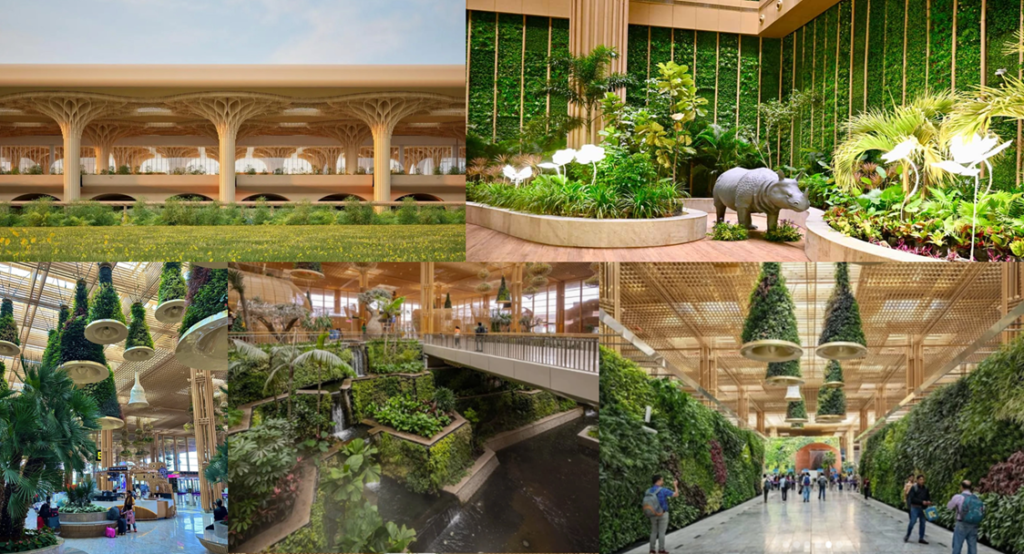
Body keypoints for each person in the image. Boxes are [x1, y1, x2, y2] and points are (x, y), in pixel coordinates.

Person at [947, 480, 984, 554]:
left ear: (961, 487)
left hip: (961, 523)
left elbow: (949, 507)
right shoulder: (976, 498)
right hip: (974, 525)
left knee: (957, 544)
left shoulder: (958, 497)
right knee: (972, 546)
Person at [644, 475, 679, 554]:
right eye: (662, 480)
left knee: (653, 532)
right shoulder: (663, 490)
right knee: (661, 532)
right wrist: (675, 485)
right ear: (658, 481)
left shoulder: (648, 491)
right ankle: (661, 550)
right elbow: (676, 494)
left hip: (652, 514)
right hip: (662, 514)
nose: (663, 482)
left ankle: (652, 550)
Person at [904, 475, 932, 544]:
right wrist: (921, 502)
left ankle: (921, 537)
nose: (922, 481)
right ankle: (907, 535)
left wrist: (928, 501)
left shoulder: (926, 489)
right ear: (917, 480)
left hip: (923, 508)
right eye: (920, 479)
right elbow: (912, 498)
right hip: (915, 507)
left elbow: (928, 497)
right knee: (912, 521)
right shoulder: (914, 488)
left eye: (923, 479)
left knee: (923, 523)